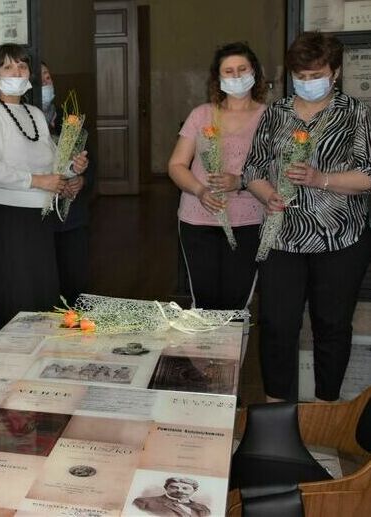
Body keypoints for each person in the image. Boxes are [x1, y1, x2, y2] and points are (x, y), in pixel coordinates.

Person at [242, 32, 371, 402]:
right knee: (277, 324)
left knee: (330, 325)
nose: (307, 82)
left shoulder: (355, 114)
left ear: (335, 73)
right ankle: (277, 410)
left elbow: (367, 176)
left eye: (316, 74)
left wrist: (321, 179)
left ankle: (325, 409)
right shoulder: (276, 113)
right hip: (282, 237)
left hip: (339, 239)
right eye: (300, 74)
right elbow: (252, 170)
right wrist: (268, 195)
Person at [0, 44, 88, 331]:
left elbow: (51, 164)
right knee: (17, 298)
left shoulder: (34, 113)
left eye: (22, 67)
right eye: (8, 67)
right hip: (6, 218)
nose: (16, 72)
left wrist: (72, 170)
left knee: (43, 296)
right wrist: (37, 181)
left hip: (39, 218)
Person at [168, 42, 267, 310]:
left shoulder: (269, 117)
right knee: (205, 302)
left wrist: (241, 182)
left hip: (249, 222)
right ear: (218, 78)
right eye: (228, 71)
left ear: (254, 72)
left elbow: (278, 171)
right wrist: (200, 191)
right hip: (198, 222)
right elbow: (176, 165)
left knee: (237, 303)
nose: (235, 76)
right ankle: (205, 353)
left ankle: (231, 352)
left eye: (242, 69)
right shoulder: (201, 115)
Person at [42, 61, 92, 307]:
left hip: (73, 219)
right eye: (39, 78)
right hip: (42, 216)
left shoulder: (68, 119)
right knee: (48, 286)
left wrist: (81, 179)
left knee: (76, 284)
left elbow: (91, 161)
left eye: (48, 76)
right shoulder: (25, 122)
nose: (46, 82)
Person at [133, 477, 211, 517]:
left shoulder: (203, 508)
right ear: (166, 487)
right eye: (174, 487)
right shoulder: (143, 502)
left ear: (195, 490)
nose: (179, 491)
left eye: (185, 488)